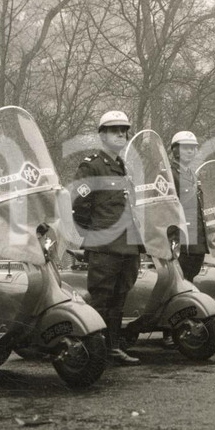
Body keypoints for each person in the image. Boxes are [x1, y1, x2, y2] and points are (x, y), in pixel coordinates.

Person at [71, 111, 143, 365]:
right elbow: (79, 205)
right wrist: (94, 234)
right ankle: (95, 352)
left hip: (128, 244)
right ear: (101, 135)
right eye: (114, 130)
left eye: (124, 130)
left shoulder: (123, 166)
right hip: (105, 246)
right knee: (101, 299)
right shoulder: (91, 166)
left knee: (119, 299)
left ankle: (112, 348)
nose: (121, 134)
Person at [169, 131, 208, 282]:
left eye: (193, 148)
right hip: (181, 240)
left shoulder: (193, 175)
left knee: (190, 280)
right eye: (186, 148)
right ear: (175, 150)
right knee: (179, 282)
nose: (190, 151)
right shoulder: (170, 174)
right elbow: (167, 209)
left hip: (196, 241)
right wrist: (173, 240)